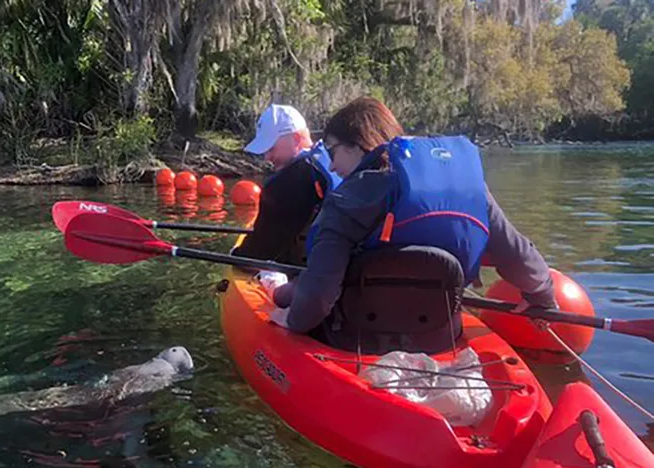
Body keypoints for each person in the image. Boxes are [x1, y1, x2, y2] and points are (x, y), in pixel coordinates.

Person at [270, 96, 556, 351]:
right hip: (439, 339)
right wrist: (542, 297)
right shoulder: (470, 191)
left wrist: (292, 320)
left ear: (359, 145)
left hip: (355, 340)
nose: (331, 166)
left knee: (287, 296)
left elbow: (320, 290)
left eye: (333, 152)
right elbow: (520, 256)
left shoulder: (346, 198)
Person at [231, 104, 341, 266]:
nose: (266, 157)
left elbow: (259, 252)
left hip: (319, 272)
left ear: (296, 139)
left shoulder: (291, 180)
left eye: (272, 148)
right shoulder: (329, 157)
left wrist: (236, 256)